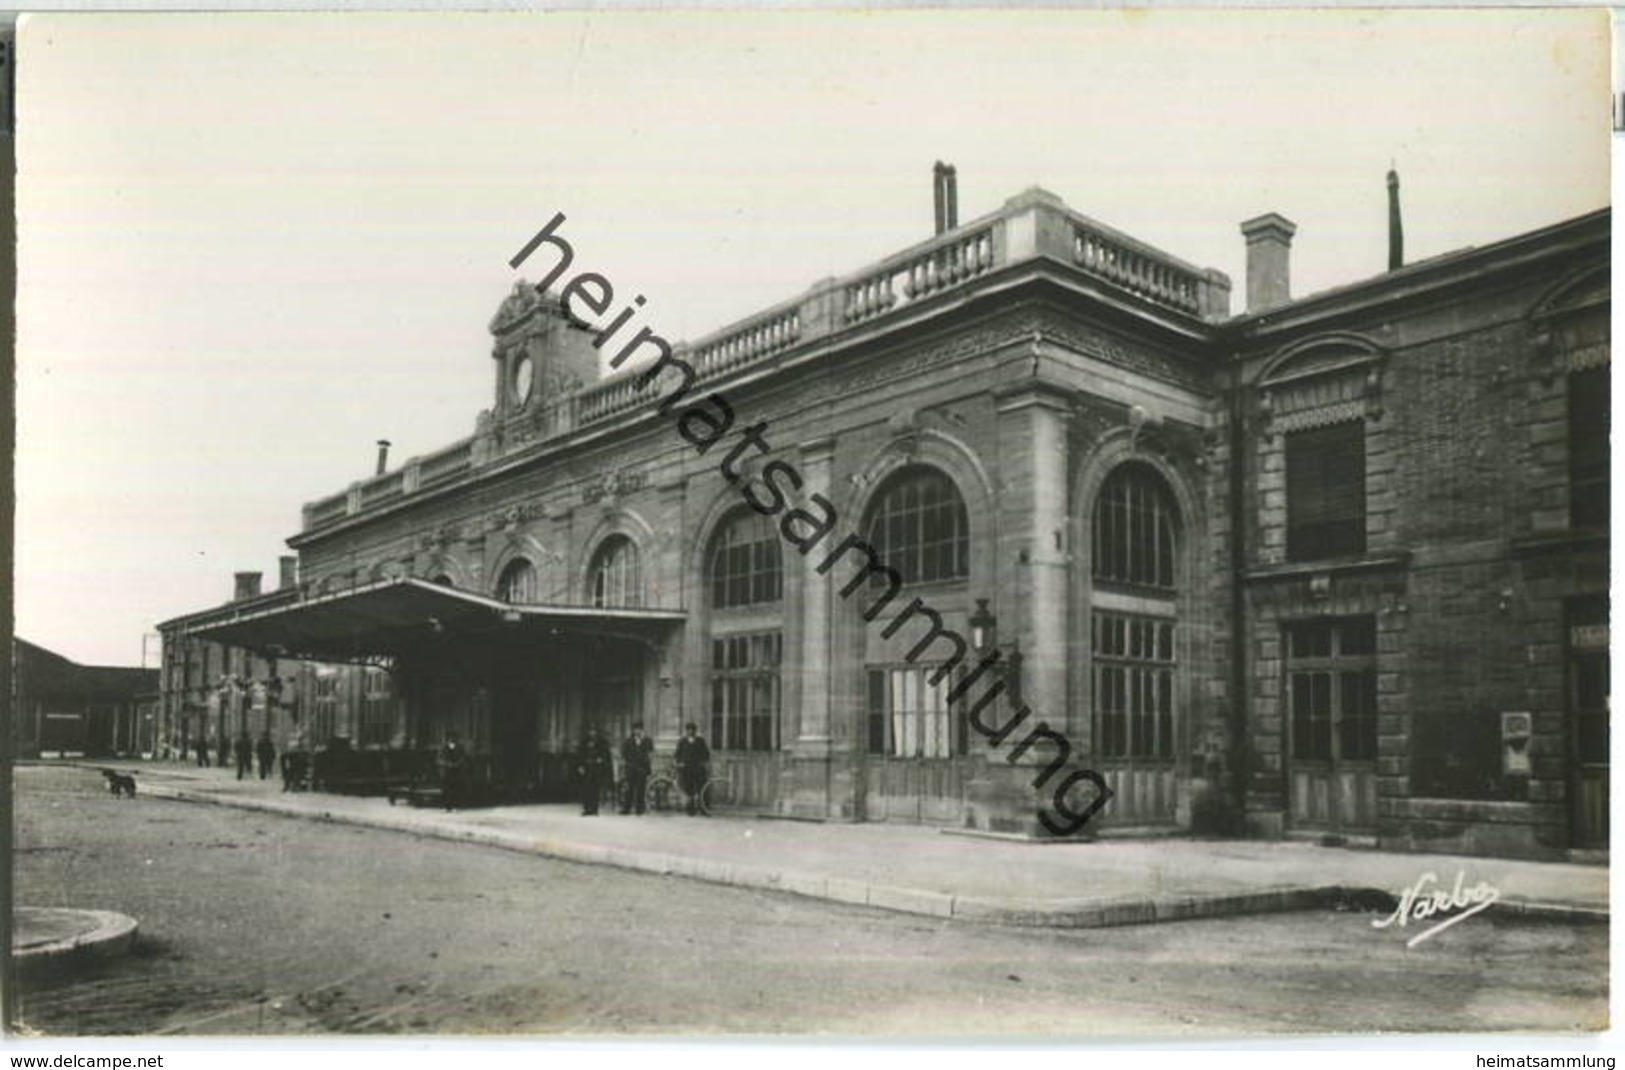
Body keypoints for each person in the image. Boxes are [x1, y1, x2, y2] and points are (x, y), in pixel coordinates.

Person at [574, 726, 613, 816]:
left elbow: (606, 755)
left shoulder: (602, 742)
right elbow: (579, 755)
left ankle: (594, 809)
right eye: (591, 731)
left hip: (596, 768)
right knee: (585, 789)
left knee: (595, 789)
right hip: (586, 768)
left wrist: (601, 760)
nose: (592, 733)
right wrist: (580, 766)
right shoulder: (584, 742)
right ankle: (587, 808)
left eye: (594, 731)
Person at [675, 721, 711, 816]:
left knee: (701, 789)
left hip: (698, 769)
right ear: (686, 731)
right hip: (686, 770)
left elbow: (706, 754)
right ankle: (690, 810)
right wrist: (679, 763)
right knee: (689, 790)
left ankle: (704, 809)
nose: (690, 732)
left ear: (695, 731)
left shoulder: (700, 741)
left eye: (692, 730)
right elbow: (677, 755)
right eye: (688, 730)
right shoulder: (682, 741)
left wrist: (703, 763)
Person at [619, 723, 654, 815]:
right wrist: (625, 766)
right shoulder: (628, 741)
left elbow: (650, 753)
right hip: (631, 768)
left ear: (642, 730)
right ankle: (626, 808)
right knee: (629, 788)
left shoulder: (647, 741)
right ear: (633, 730)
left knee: (641, 789)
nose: (637, 731)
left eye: (639, 729)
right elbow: (623, 754)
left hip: (642, 768)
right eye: (635, 729)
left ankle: (639, 809)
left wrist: (648, 764)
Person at [438, 731, 466, 811]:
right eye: (450, 738)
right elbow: (439, 759)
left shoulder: (460, 747)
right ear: (447, 739)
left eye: (454, 738)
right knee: (446, 790)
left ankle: (455, 806)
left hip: (456, 771)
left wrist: (458, 764)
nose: (452, 739)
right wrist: (447, 764)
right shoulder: (443, 747)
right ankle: (446, 806)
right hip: (446, 772)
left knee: (455, 789)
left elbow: (463, 758)